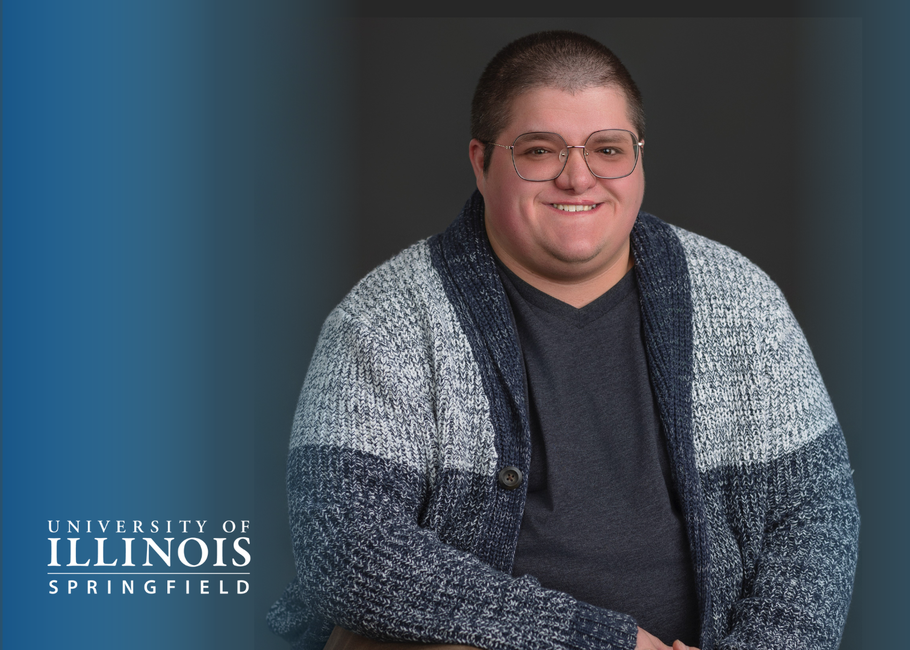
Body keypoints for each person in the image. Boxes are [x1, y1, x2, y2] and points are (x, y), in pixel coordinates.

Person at [268, 30, 859, 650]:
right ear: (481, 161)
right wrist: (599, 641)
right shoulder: (383, 322)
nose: (578, 178)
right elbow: (341, 545)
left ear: (638, 159)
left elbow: (815, 516)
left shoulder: (740, 299)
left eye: (607, 149)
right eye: (541, 151)